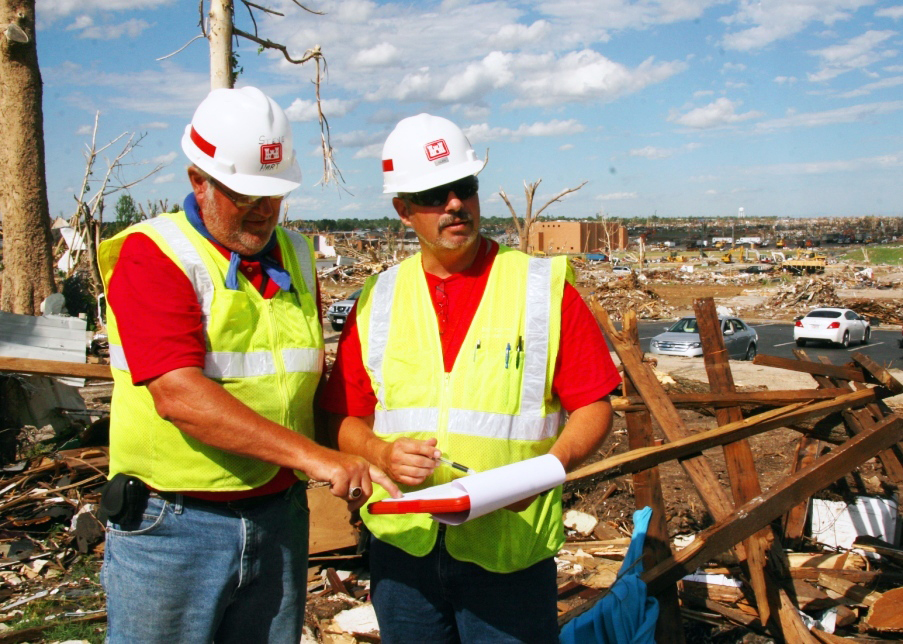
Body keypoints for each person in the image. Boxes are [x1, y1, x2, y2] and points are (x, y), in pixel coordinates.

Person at [97, 86, 398, 644]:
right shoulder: (155, 255)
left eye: (274, 195)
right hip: (175, 528)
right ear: (199, 181)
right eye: (245, 194)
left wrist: (373, 453)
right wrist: (317, 458)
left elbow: (307, 385)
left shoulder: (298, 256)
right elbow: (179, 395)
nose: (263, 209)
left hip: (277, 518)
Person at [321, 113, 621, 643]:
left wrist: (548, 470)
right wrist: (379, 452)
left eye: (464, 187)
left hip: (508, 553)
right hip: (403, 553)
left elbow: (595, 404)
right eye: (434, 194)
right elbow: (343, 417)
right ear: (403, 210)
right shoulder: (378, 299)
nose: (454, 204)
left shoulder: (539, 287)